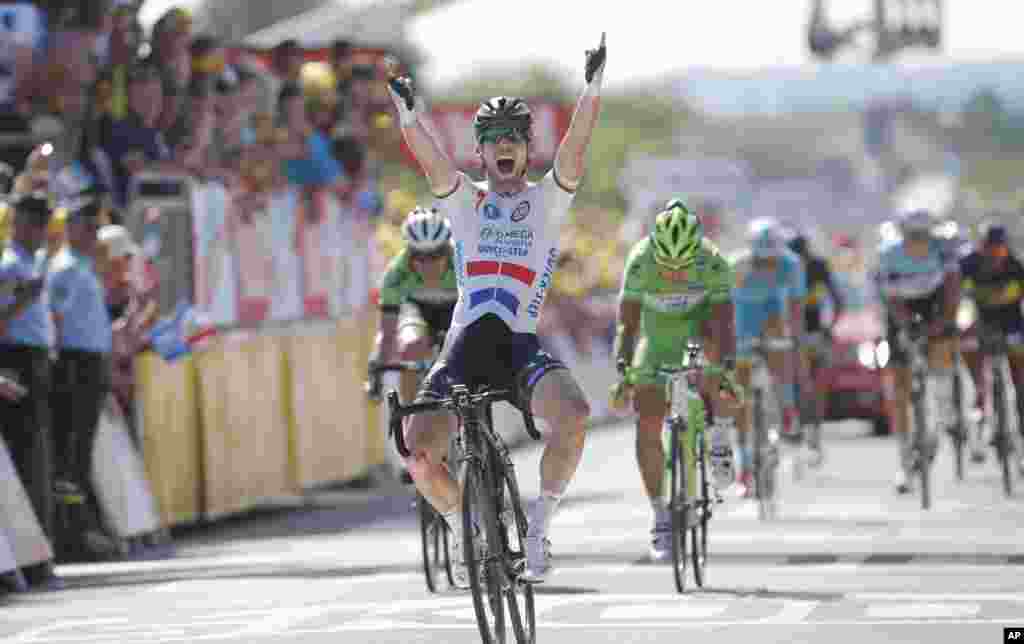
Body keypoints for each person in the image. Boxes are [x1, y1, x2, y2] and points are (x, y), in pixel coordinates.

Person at [386, 32, 606, 582]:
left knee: (574, 417)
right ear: (479, 152)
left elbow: (577, 147)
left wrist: (592, 88)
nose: (504, 146)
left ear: (528, 149)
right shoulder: (464, 200)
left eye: (514, 139)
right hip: (464, 345)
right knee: (417, 457)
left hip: (518, 345)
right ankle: (464, 526)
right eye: (493, 140)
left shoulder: (548, 200)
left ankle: (539, 526)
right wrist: (408, 114)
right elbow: (429, 159)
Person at [611, 198, 735, 561]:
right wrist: (624, 369)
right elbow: (627, 324)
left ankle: (718, 432)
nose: (676, 273)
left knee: (715, 362)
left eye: (684, 265)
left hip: (699, 335)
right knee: (646, 421)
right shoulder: (639, 260)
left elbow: (724, 323)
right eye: (668, 265)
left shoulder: (712, 260)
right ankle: (661, 514)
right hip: (656, 343)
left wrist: (723, 368)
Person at [48, 193, 118, 561]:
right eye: (87, 227)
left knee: (79, 455)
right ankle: (69, 535)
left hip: (90, 365)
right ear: (70, 228)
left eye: (97, 228)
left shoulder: (84, 267)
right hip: (73, 367)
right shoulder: (65, 269)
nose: (93, 234)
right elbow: (55, 323)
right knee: (70, 454)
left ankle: (78, 529)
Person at [0, 192, 62, 590]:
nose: (38, 230)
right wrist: (20, 302)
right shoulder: (9, 266)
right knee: (26, 460)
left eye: (42, 222)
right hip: (16, 359)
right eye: (31, 222)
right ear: (18, 223)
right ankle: (30, 559)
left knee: (38, 458)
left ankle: (38, 555)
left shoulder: (33, 262)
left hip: (36, 358)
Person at [875, 209, 960, 494]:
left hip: (933, 303)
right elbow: (889, 299)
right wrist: (903, 327)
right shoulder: (889, 254)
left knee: (942, 351)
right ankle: (904, 459)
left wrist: (944, 323)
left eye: (923, 236)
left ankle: (942, 407)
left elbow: (952, 290)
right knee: (899, 385)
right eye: (913, 237)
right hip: (901, 306)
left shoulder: (944, 249)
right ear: (904, 236)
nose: (918, 241)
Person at [731, 217, 807, 498]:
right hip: (741, 320)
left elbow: (796, 308)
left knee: (782, 354)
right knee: (739, 393)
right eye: (761, 260)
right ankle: (744, 462)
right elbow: (721, 306)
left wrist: (796, 341)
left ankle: (786, 407)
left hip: (773, 316)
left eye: (771, 259)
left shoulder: (791, 265)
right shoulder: (735, 266)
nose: (767, 265)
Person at [370, 206, 457, 405]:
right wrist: (380, 369)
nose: (429, 264)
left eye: (436, 255)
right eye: (420, 256)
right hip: (417, 312)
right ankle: (410, 411)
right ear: (409, 253)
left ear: (448, 250)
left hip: (456, 312)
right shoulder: (396, 274)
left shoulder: (463, 265)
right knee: (410, 348)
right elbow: (389, 332)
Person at [958, 222, 1024, 471]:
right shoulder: (968, 266)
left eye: (1000, 250)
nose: (995, 255)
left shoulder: (1015, 267)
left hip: (1012, 326)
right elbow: (958, 300)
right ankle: (978, 420)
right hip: (979, 325)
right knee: (978, 377)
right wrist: (961, 328)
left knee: (1020, 385)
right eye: (990, 249)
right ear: (981, 248)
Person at [787, 231, 845, 466]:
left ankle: (812, 432)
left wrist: (830, 327)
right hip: (794, 335)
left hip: (813, 334)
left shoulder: (817, 267)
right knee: (799, 384)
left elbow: (838, 299)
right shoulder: (784, 268)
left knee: (813, 386)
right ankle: (799, 427)